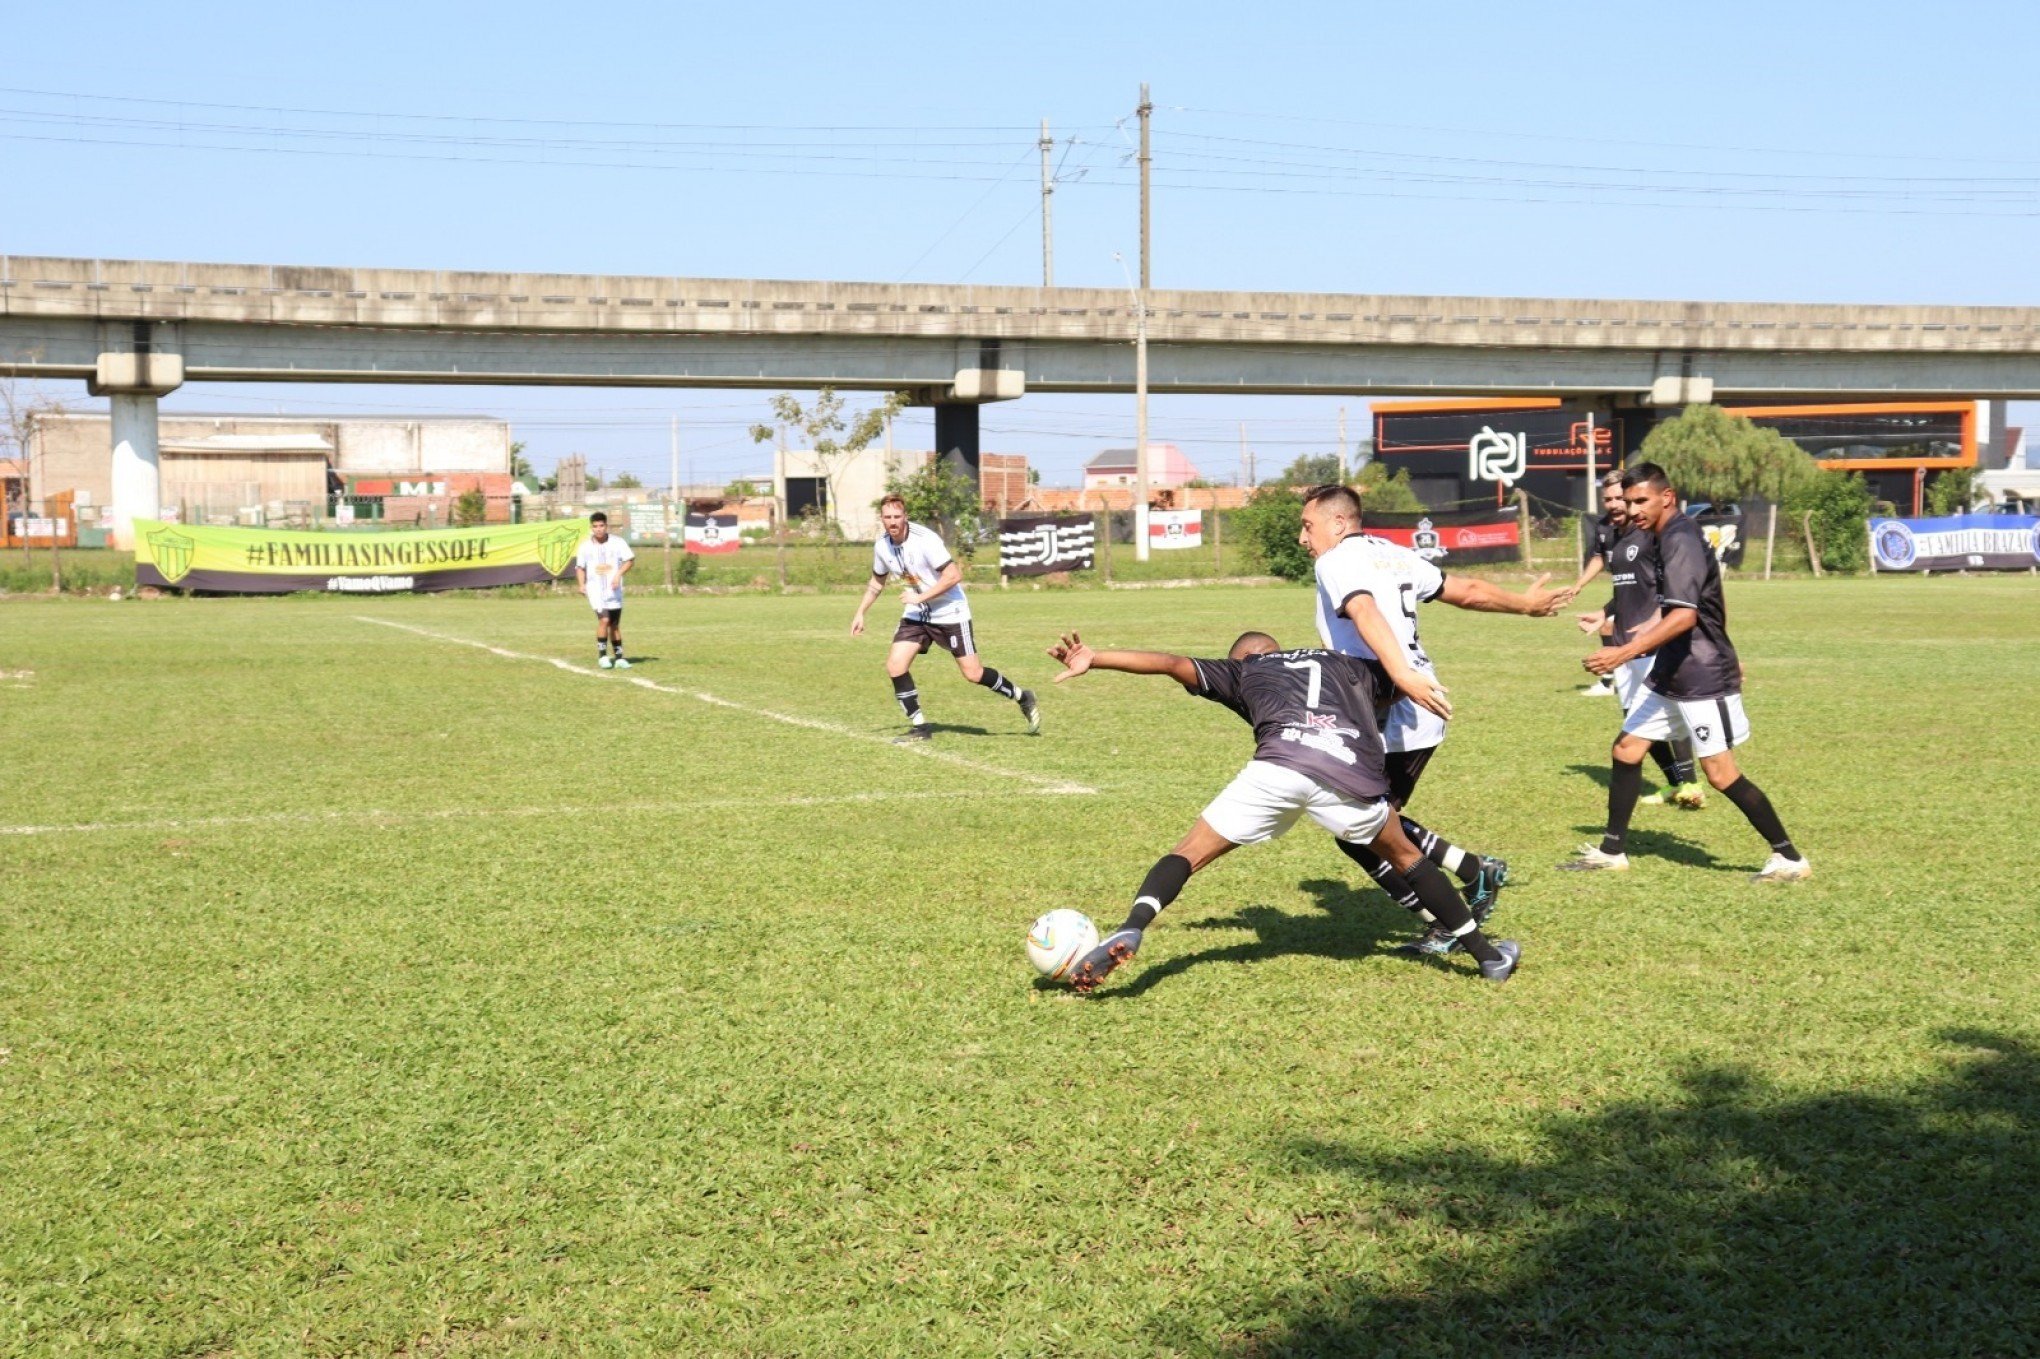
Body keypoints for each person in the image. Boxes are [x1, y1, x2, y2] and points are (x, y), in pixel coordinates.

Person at [1045, 628, 1519, 991]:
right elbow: (1396, 679)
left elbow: (1170, 663)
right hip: (1346, 770)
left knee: (1188, 853)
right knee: (1405, 857)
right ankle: (1487, 956)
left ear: (1246, 656)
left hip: (1278, 766)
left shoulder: (1247, 669)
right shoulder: (1343, 663)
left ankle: (1132, 927)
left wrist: (1096, 658)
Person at [1299, 483, 1566, 956]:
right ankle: (1464, 885)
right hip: (1420, 707)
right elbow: (1465, 590)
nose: (1304, 538)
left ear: (1338, 523)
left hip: (1390, 705)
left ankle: (1460, 899)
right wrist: (1524, 605)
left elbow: (1362, 610)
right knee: (1364, 826)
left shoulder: (1335, 561)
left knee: (1362, 829)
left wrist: (1399, 673)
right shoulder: (1393, 555)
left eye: (1307, 525)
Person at [1563, 462, 1810, 880]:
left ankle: (1789, 858)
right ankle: (1612, 851)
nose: (1634, 508)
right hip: (1671, 668)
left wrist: (1621, 653)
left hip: (1700, 674)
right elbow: (1702, 602)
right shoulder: (1660, 537)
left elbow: (1685, 617)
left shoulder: (1680, 540)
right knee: (1626, 750)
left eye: (1642, 500)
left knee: (1719, 773)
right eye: (1628, 501)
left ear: (1667, 497)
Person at [850, 495, 1039, 743]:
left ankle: (1021, 696)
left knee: (973, 673)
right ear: (882, 519)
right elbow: (877, 581)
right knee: (895, 665)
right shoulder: (882, 546)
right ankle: (920, 727)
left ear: (905, 516)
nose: (893, 522)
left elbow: (953, 575)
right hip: (918, 613)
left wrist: (920, 597)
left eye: (897, 516)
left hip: (950, 611)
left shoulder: (925, 540)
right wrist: (861, 612)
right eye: (888, 517)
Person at [1573, 488, 1705, 810]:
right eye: (1610, 500)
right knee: (1637, 720)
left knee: (1667, 716)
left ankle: (1690, 783)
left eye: (1624, 499)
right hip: (1624, 644)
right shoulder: (1616, 541)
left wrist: (1656, 623)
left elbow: (1670, 588)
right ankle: (1676, 782)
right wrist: (1605, 614)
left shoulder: (1652, 538)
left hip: (1651, 643)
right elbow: (1626, 590)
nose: (1617, 505)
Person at [1566, 471, 1629, 696]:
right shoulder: (1604, 527)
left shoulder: (1642, 529)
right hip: (1625, 594)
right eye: (1608, 499)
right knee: (1608, 626)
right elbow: (1598, 557)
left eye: (1619, 497)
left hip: (1643, 598)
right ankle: (1610, 682)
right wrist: (1579, 584)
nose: (1613, 504)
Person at [574, 512, 635, 669]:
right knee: (604, 620)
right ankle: (602, 657)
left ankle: (620, 658)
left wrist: (618, 575)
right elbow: (580, 567)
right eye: (595, 526)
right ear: (591, 527)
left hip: (614, 589)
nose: (599, 529)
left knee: (614, 625)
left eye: (601, 526)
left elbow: (629, 560)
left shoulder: (618, 542)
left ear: (606, 526)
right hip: (595, 591)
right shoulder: (585, 546)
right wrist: (581, 585)